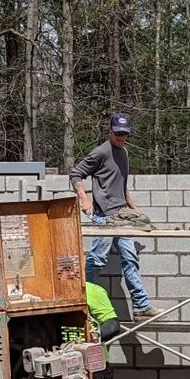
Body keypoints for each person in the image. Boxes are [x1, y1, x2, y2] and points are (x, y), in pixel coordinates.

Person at [72, 114, 161, 317]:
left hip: (121, 216)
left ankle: (141, 306)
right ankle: (83, 300)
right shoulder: (101, 152)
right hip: (104, 216)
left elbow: (121, 184)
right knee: (96, 261)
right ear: (110, 131)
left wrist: (133, 207)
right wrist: (84, 199)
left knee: (130, 260)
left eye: (124, 134)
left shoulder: (124, 153)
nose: (121, 137)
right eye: (118, 133)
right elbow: (75, 174)